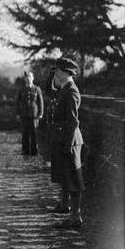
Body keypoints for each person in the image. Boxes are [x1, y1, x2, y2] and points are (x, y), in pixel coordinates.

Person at [50, 57, 84, 229]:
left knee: (73, 179)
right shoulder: (65, 89)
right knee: (66, 176)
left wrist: (68, 145)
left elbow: (72, 121)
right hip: (64, 139)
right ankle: (66, 208)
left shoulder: (71, 91)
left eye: (57, 71)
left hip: (69, 140)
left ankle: (75, 217)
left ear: (65, 73)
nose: (55, 74)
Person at [15, 70, 44, 156]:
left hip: (34, 115)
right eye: (26, 77)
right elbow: (17, 102)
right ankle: (25, 151)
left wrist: (40, 113)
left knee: (34, 133)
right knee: (25, 133)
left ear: (33, 78)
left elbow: (40, 102)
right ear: (25, 79)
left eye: (30, 77)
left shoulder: (37, 89)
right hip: (24, 114)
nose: (28, 79)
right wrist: (17, 113)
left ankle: (34, 152)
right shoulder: (21, 89)